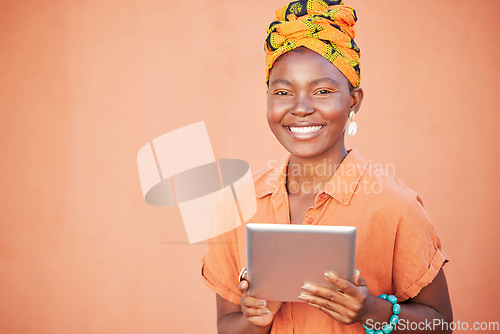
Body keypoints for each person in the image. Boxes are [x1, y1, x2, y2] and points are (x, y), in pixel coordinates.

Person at [201, 1, 453, 333]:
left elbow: (442, 324)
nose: (301, 108)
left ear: (353, 100)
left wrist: (371, 310)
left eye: (322, 91)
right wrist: (255, 319)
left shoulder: (395, 208)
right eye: (283, 91)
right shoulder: (236, 205)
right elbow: (227, 326)